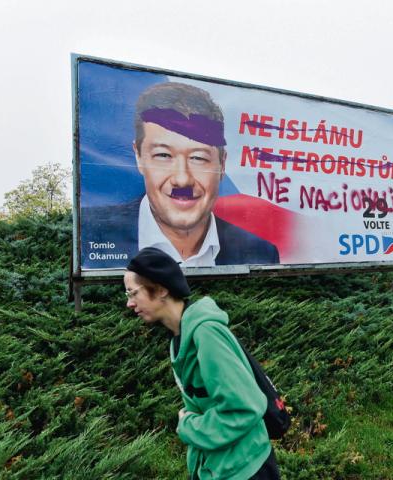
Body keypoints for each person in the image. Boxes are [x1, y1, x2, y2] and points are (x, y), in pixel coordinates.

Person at [81, 81, 279, 268]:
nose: (182, 180)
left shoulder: (261, 253)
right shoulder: (88, 235)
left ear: (222, 164)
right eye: (163, 155)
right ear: (139, 157)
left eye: (198, 158)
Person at [124, 247, 280, 479]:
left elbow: (245, 409)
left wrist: (189, 426)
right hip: (219, 467)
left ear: (161, 289)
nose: (129, 303)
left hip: (245, 468)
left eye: (132, 293)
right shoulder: (179, 337)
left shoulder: (206, 333)